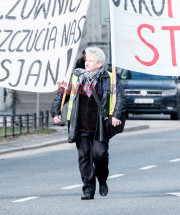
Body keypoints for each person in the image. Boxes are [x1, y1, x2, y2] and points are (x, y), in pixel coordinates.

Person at [51, 47, 125, 200]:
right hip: (80, 124)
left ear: (100, 63)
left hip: (100, 126)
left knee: (100, 154)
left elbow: (121, 98)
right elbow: (62, 94)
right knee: (84, 157)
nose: (87, 63)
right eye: (86, 60)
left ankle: (102, 180)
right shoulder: (76, 76)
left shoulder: (109, 78)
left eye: (90, 61)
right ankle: (88, 189)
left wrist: (116, 115)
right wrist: (56, 111)